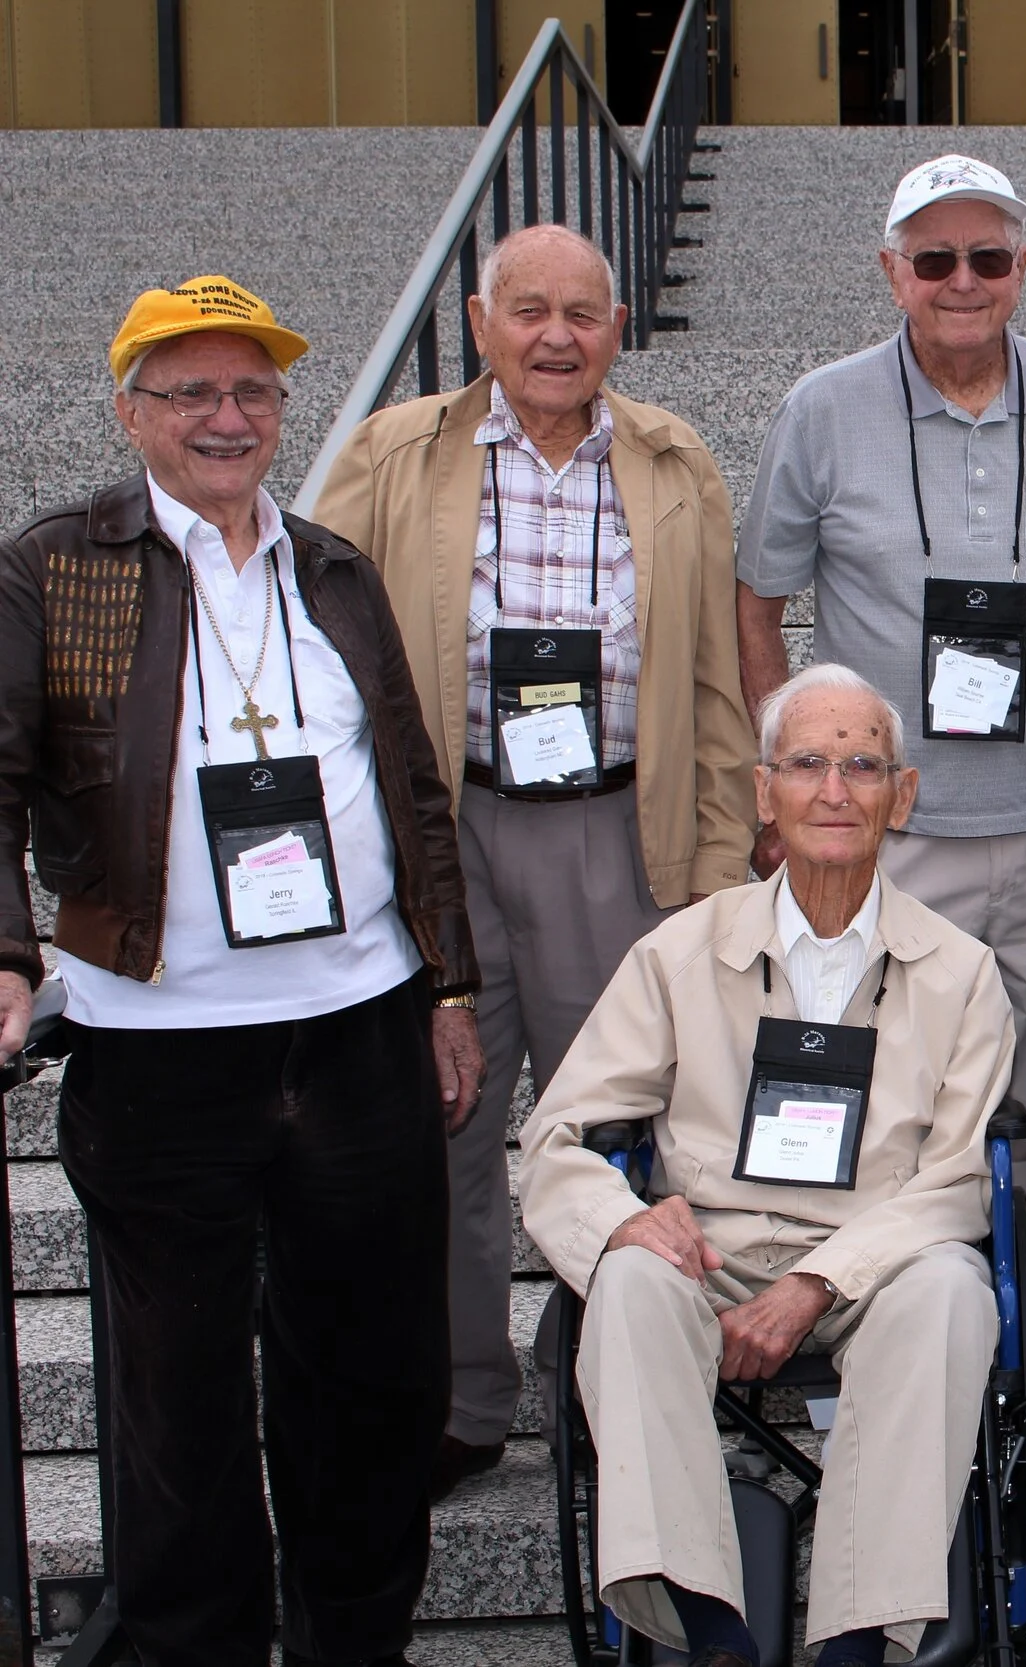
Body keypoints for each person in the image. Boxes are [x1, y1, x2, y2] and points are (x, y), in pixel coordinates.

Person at [0, 277, 484, 1666]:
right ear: (131, 409)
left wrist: (446, 984)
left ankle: (354, 1640)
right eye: (193, 392)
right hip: (163, 1044)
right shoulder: (54, 566)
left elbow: (411, 786)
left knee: (372, 1381)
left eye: (254, 390)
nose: (228, 416)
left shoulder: (331, 565)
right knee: (181, 1394)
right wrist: (6, 950)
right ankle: (196, 1645)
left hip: (358, 1031)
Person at [316, 223, 754, 1499]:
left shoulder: (674, 460)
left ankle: (607, 1378)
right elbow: (317, 644)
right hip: (446, 835)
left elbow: (720, 686)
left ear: (620, 326)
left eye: (584, 312)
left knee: (614, 1125)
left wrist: (721, 866)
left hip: (617, 833)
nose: (557, 336)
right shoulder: (395, 454)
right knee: (439, 1119)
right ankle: (458, 1398)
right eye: (529, 310)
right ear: (480, 318)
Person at [736, 155, 1026, 1341]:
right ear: (892, 272)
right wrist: (784, 796)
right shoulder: (821, 409)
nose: (961, 280)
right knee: (871, 1097)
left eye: (986, 257)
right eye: (933, 259)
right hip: (886, 837)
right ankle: (862, 1340)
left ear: (1022, 269)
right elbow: (755, 601)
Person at [516, 663, 1016, 1667]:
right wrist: (623, 1220)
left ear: (902, 794)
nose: (835, 789)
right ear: (764, 790)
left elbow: (958, 1178)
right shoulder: (678, 951)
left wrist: (817, 1280)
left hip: (879, 1258)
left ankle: (856, 1644)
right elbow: (556, 1135)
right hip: (713, 1249)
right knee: (628, 1282)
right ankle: (712, 1633)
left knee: (956, 1291)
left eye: (863, 764)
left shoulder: (962, 970)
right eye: (809, 763)